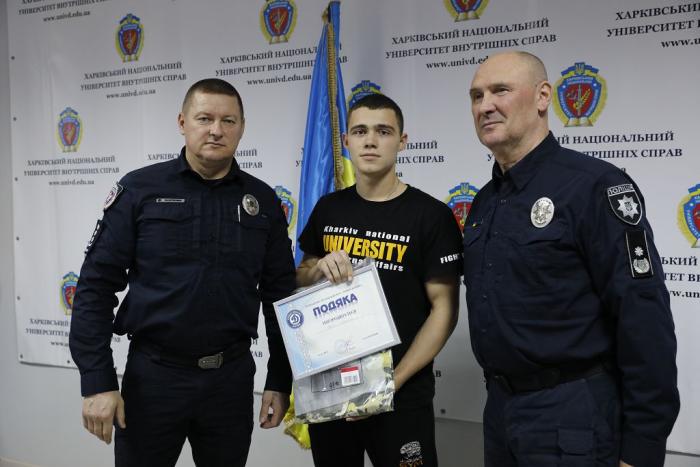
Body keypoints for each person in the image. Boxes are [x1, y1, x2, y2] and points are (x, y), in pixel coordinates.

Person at [463, 51, 680, 467]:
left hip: (573, 415)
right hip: (501, 413)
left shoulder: (595, 186)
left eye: (500, 90)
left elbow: (643, 315)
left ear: (543, 96)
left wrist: (643, 446)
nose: (485, 105)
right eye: (476, 95)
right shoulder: (485, 201)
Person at [69, 78, 295, 467]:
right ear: (182, 122)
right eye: (204, 118)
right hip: (154, 379)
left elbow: (280, 295)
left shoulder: (262, 201)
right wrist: (97, 380)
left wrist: (279, 378)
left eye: (228, 121)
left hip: (230, 382)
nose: (216, 130)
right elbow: (95, 287)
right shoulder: (139, 190)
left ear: (242, 127)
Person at [296, 93, 463, 467]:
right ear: (346, 141)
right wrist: (319, 267)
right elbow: (300, 279)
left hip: (401, 394)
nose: (370, 141)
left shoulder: (431, 216)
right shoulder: (328, 208)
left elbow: (445, 311)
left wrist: (391, 383)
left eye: (383, 131)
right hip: (333, 390)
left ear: (402, 141)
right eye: (360, 131)